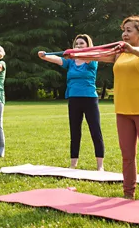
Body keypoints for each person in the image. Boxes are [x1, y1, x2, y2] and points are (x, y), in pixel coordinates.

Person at [90, 16, 139, 201]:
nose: (125, 33)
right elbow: (96, 55)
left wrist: (130, 48)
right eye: (124, 30)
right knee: (127, 155)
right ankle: (128, 194)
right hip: (123, 109)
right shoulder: (120, 54)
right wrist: (73, 54)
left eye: (129, 30)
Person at [38, 34, 105, 170]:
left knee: (95, 131)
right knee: (75, 132)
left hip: (89, 99)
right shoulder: (71, 62)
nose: (79, 46)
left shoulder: (91, 59)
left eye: (81, 44)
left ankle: (100, 166)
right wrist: (44, 55)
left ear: (87, 46)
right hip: (74, 98)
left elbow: (87, 57)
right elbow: (57, 59)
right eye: (76, 44)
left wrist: (74, 54)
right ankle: (73, 164)